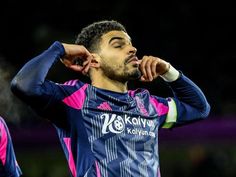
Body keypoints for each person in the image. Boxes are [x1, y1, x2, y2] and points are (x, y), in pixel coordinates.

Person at [10, 20, 210, 177]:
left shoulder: (148, 104)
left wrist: (169, 72)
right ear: (94, 59)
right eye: (118, 45)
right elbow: (24, 85)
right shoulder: (74, 99)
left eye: (131, 45)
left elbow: (199, 108)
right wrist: (58, 49)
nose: (132, 50)